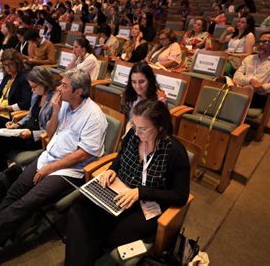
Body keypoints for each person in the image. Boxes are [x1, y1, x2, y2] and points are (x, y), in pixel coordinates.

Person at [0, 69, 108, 265]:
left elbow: (83, 154)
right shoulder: (66, 105)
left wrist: (49, 169)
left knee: (27, 202)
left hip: (69, 170)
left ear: (78, 91)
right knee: (14, 191)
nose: (59, 88)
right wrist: (56, 110)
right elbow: (50, 133)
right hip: (49, 157)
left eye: (64, 85)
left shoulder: (94, 116)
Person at [65, 99, 190, 266]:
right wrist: (111, 169)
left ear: (160, 127)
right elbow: (120, 156)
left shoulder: (175, 152)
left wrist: (141, 192)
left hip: (145, 206)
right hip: (119, 191)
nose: (137, 133)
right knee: (78, 208)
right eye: (135, 126)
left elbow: (180, 196)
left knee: (110, 235)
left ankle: (84, 254)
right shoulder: (133, 135)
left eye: (143, 129)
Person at [0, 67, 55, 182]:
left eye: (34, 87)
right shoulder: (37, 94)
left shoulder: (54, 101)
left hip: (37, 138)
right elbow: (29, 115)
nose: (32, 91)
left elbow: (53, 130)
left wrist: (32, 133)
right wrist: (17, 124)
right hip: (23, 130)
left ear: (44, 83)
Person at [233, 31, 270, 108]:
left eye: (266, 42)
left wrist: (261, 87)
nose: (261, 44)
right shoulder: (249, 58)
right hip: (240, 90)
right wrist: (250, 81)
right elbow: (236, 76)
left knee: (228, 100)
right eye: (260, 41)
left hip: (258, 96)